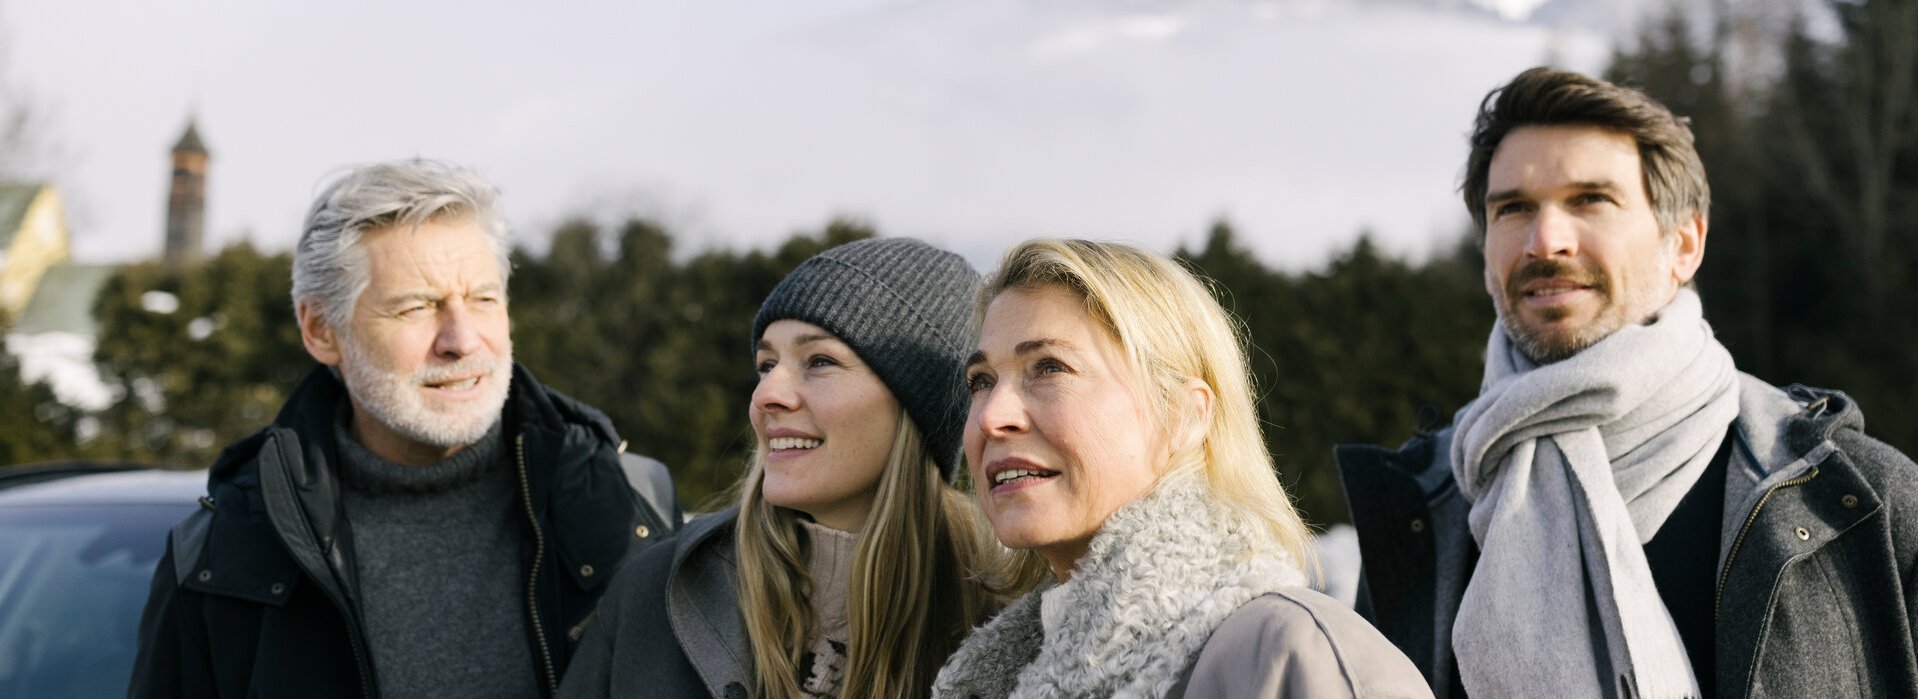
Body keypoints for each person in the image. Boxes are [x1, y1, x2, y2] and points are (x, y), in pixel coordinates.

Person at [1336, 66, 1918, 699]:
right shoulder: (1423, 512)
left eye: (1591, 200)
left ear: (1684, 244)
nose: (1545, 240)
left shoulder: (1862, 500)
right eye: (1513, 208)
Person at [129, 160, 675, 699]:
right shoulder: (221, 558)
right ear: (321, 331)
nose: (462, 340)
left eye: (484, 299)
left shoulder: (633, 505)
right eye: (416, 307)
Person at [934, 239, 1429, 698]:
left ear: (1184, 416)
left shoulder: (1297, 654)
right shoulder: (1002, 676)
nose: (993, 417)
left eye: (1049, 367)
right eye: (981, 381)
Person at [560, 237, 1002, 699]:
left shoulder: (1006, 615)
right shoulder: (658, 593)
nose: (766, 394)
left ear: (921, 410)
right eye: (766, 364)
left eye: (820, 361)